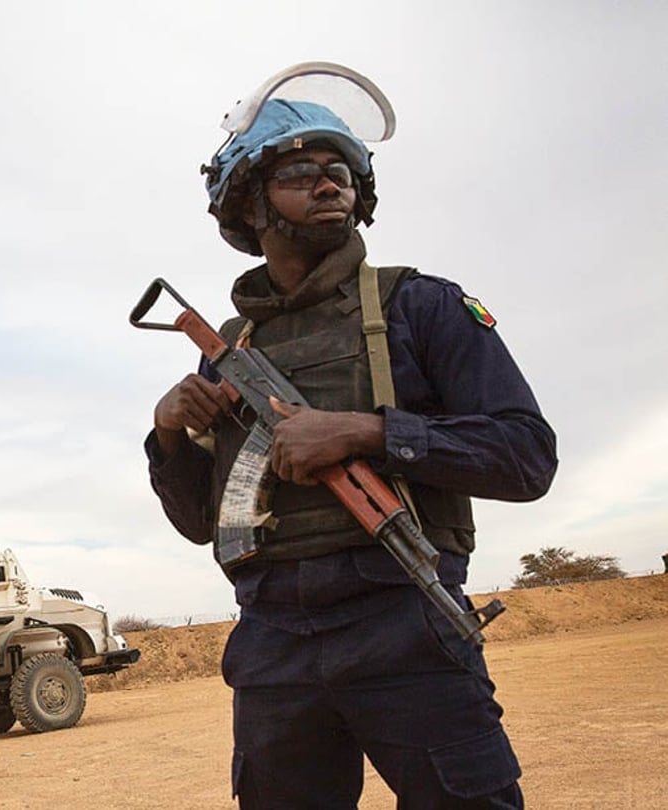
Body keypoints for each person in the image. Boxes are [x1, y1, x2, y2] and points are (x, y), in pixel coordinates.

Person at [145, 80, 557, 807]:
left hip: (402, 613)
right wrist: (169, 433)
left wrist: (368, 431)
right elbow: (198, 524)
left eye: (339, 172)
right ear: (248, 203)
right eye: (299, 174)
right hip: (271, 632)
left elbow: (525, 456)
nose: (327, 185)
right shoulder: (228, 350)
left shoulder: (420, 306)